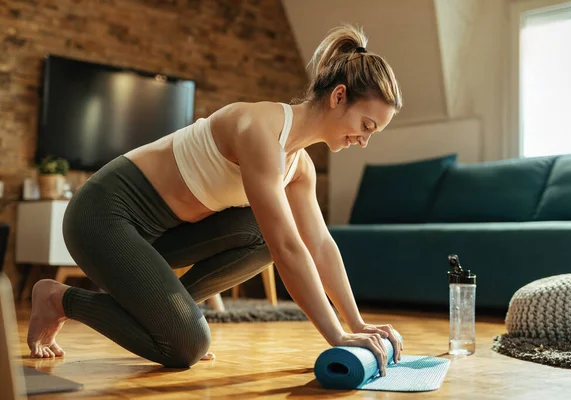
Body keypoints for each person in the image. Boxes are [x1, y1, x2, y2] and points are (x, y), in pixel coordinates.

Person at [26, 24, 404, 376]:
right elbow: (289, 247)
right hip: (101, 216)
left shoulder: (299, 166)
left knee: (261, 234)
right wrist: (336, 336)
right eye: (366, 126)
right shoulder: (260, 129)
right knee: (186, 345)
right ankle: (59, 299)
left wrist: (356, 322)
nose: (364, 140)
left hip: (159, 238)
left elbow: (319, 244)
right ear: (339, 96)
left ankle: (176, 314)